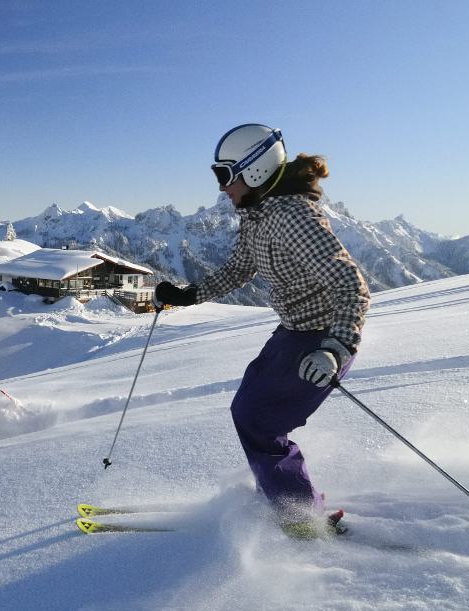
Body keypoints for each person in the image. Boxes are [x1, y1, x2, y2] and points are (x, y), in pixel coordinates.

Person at [155, 123, 371, 538]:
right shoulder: (258, 215)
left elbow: (351, 285)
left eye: (225, 176)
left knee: (258, 418)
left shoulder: (293, 217)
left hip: (321, 339)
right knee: (248, 406)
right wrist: (189, 295)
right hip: (292, 332)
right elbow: (240, 267)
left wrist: (336, 347)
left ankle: (300, 519)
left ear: (253, 170)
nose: (222, 189)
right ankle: (282, 495)